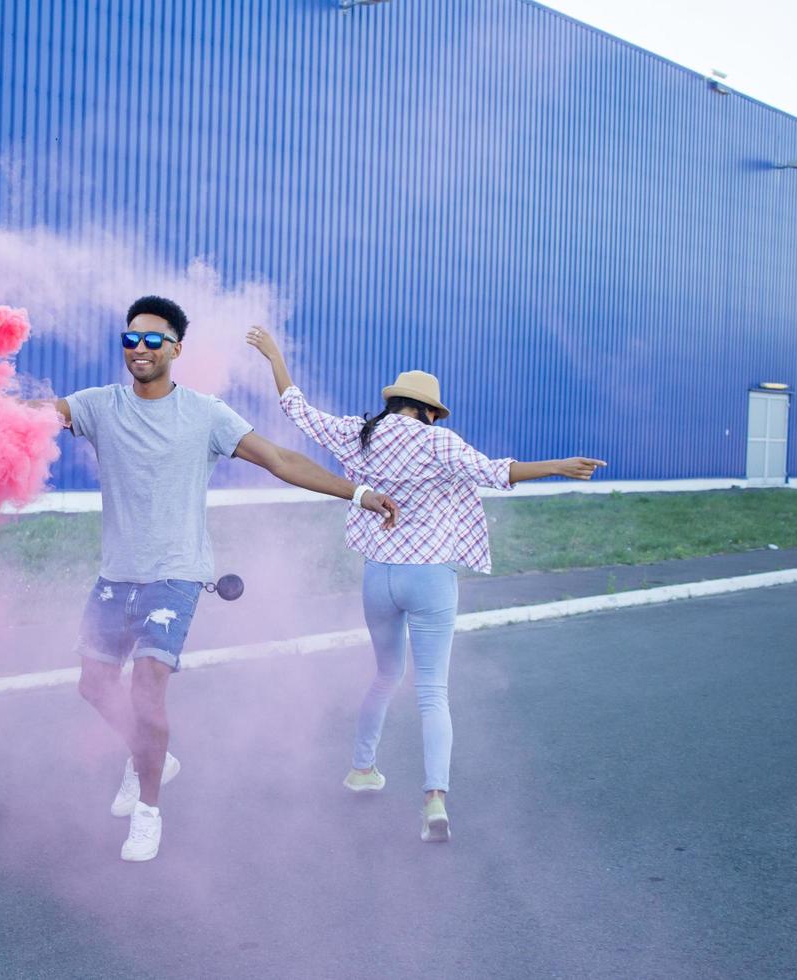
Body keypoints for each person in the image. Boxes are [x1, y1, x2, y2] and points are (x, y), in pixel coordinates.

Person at [40, 297, 398, 862]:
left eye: (153, 341)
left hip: (176, 576)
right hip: (117, 576)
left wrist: (357, 493)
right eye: (130, 339)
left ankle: (148, 810)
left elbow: (280, 459)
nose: (139, 348)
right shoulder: (97, 407)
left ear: (176, 350)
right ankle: (148, 756)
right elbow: (37, 411)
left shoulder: (206, 414)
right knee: (93, 685)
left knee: (147, 688)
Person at [246, 325, 604, 843]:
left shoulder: (360, 432)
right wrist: (558, 467)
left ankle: (362, 768)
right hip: (430, 576)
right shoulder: (438, 440)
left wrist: (274, 355)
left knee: (385, 675)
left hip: (378, 577)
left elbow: (295, 408)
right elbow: (495, 472)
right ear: (430, 410)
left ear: (395, 403)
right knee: (432, 690)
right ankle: (435, 800)